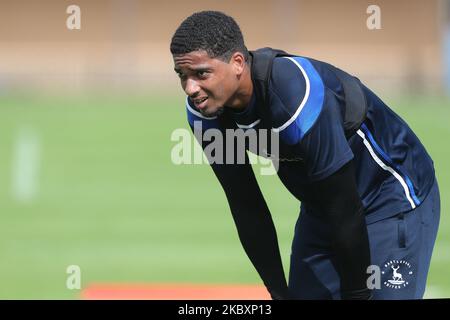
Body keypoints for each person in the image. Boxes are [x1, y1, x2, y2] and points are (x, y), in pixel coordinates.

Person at [169, 10, 440, 300]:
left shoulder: (293, 91)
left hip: (392, 199)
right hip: (324, 207)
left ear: (237, 63)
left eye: (201, 74)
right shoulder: (204, 113)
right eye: (182, 75)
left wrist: (357, 294)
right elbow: (246, 204)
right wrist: (277, 291)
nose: (190, 88)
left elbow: (345, 207)